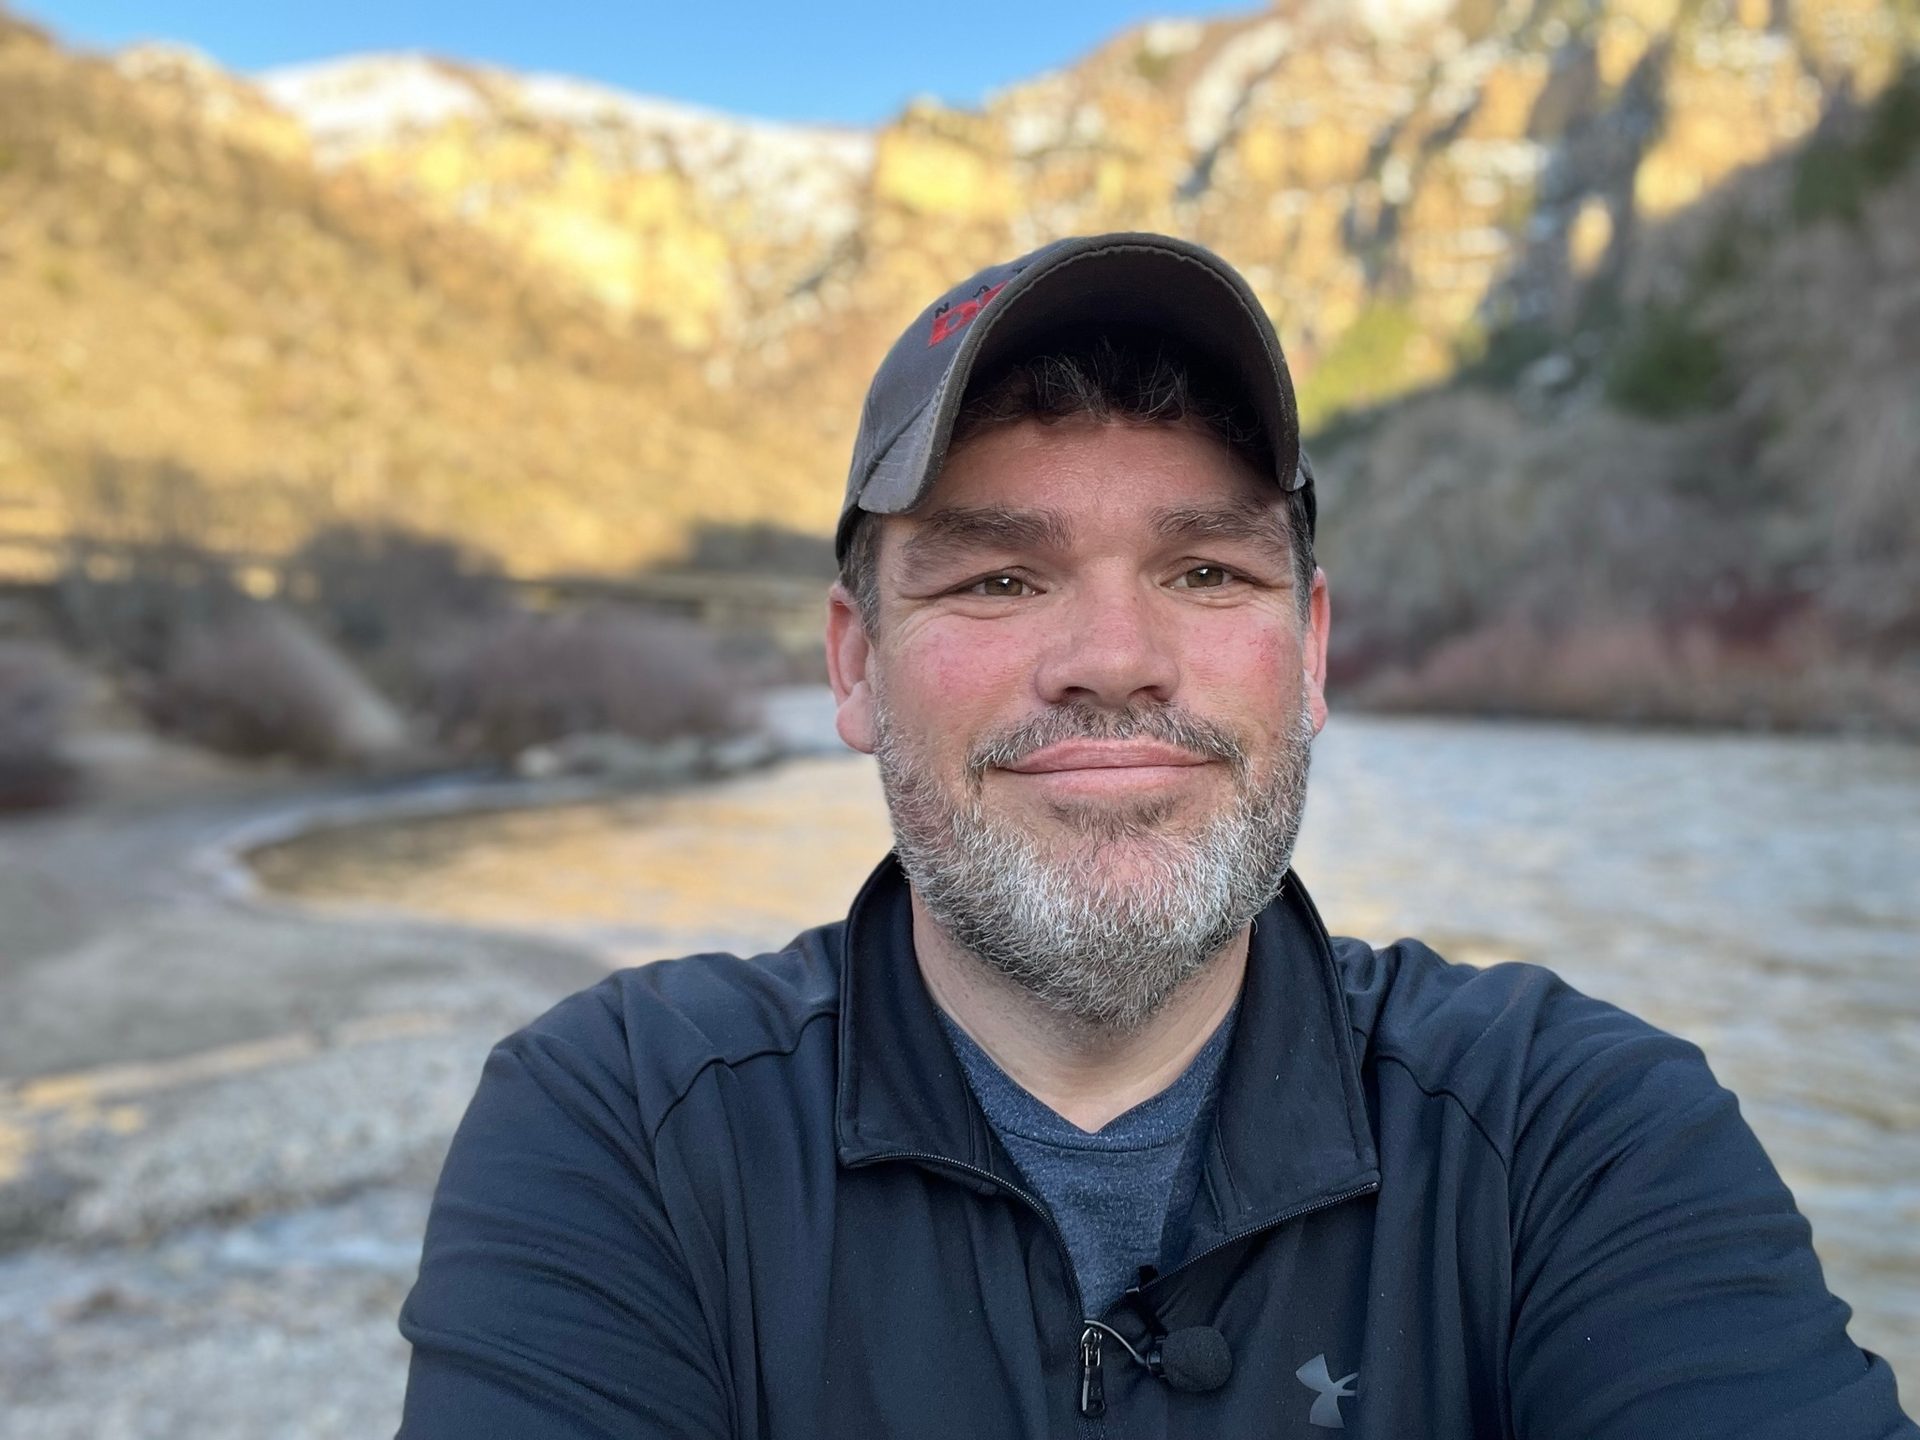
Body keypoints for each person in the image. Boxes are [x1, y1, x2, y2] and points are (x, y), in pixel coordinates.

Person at [396, 233, 1915, 1438]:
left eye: (1204, 574)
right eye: (998, 581)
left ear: (1311, 654)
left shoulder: (1575, 1137)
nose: (1113, 657)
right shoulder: (624, 1131)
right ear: (855, 667)